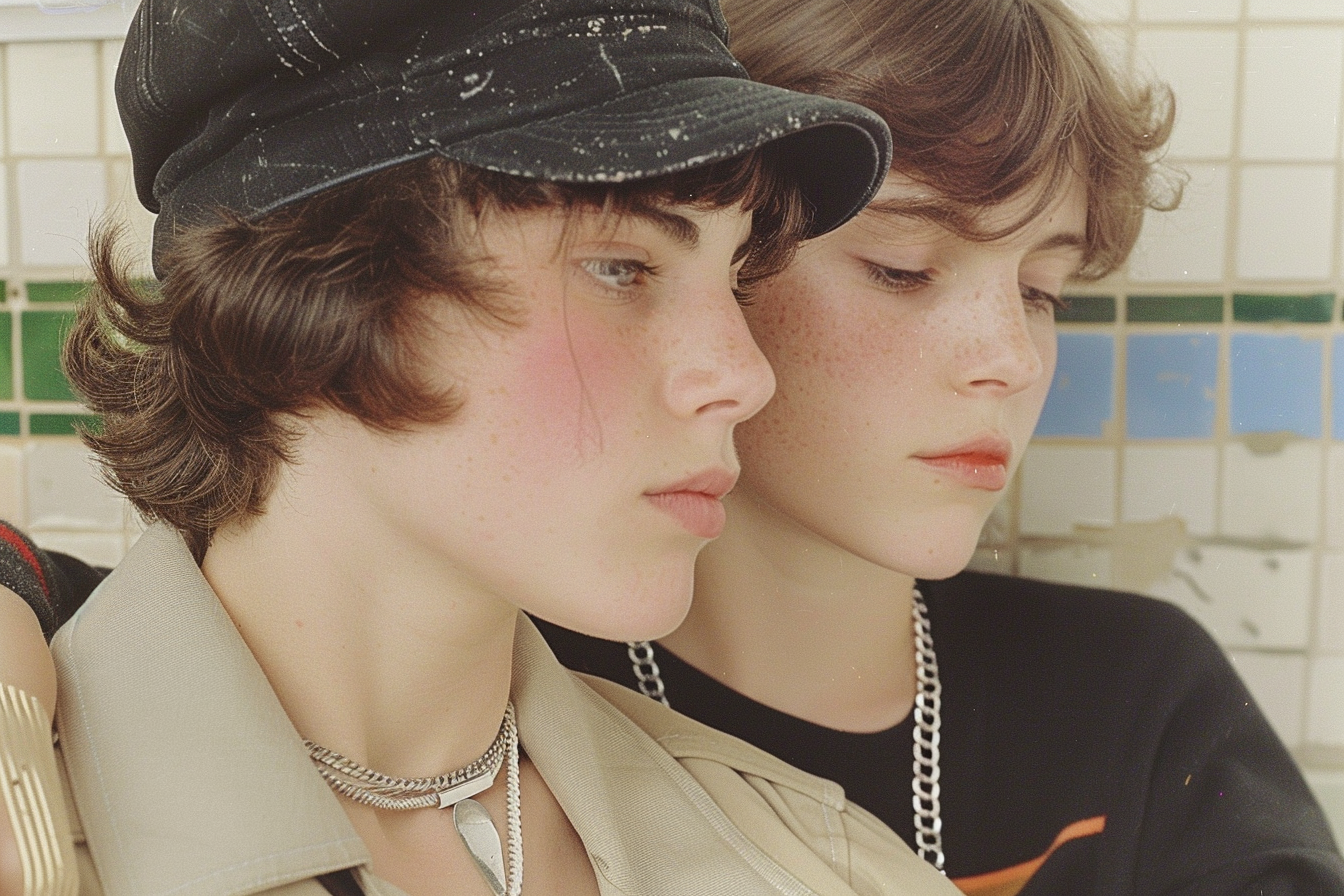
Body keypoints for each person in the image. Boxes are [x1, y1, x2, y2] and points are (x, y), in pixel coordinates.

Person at [5, 0, 1344, 894]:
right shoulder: (52, 768)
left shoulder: (821, 857)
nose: (741, 372)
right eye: (622, 266)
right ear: (311, 288)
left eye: (740, 266)